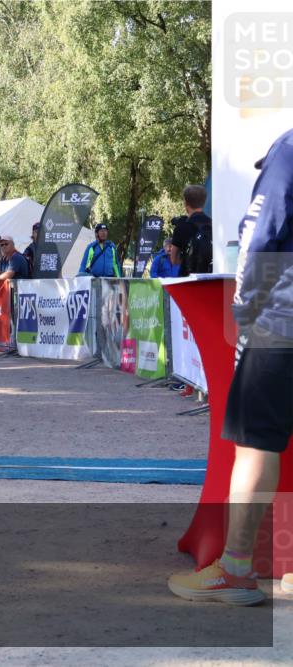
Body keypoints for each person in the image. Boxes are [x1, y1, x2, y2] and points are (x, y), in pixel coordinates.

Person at [168, 129, 293, 606]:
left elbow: (262, 234)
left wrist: (244, 310)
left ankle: (237, 568)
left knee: (254, 444)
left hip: (280, 319)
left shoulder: (289, 150)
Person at [169, 185, 211, 275]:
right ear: (203, 202)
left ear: (186, 203)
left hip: (187, 279)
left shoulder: (182, 225)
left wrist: (189, 260)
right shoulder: (212, 224)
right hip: (209, 279)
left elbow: (174, 260)